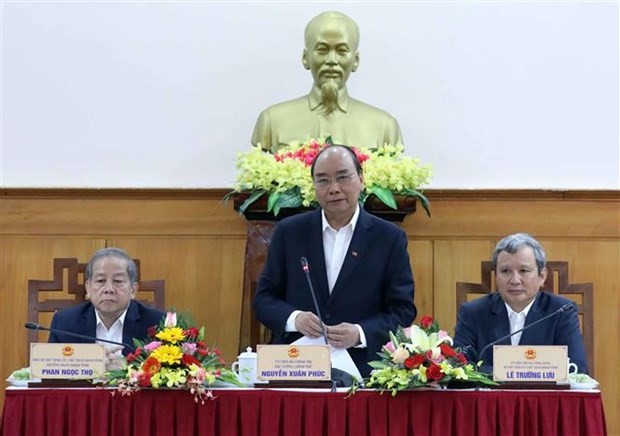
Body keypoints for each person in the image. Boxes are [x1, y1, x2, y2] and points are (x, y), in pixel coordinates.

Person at [253, 144, 416, 378]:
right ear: (314, 187)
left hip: (364, 369)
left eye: (343, 177)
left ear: (361, 179)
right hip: (296, 365)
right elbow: (264, 299)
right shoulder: (289, 232)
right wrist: (294, 319)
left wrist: (360, 333)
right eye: (323, 181)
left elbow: (402, 310)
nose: (334, 189)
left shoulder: (388, 238)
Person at [252, 11, 403, 152]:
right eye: (322, 49)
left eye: (342, 50)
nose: (331, 60)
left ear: (355, 60)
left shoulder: (384, 127)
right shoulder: (272, 121)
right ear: (305, 58)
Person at [453, 233, 589, 374]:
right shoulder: (473, 313)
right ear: (496, 276)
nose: (515, 280)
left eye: (524, 271)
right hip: (489, 396)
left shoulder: (561, 311)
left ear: (542, 276)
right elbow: (459, 368)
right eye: (505, 271)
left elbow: (577, 370)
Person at [48, 248, 165, 358]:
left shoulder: (158, 323)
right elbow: (52, 372)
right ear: (88, 288)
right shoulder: (65, 323)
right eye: (101, 281)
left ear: (133, 290)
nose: (109, 289)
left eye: (118, 281)